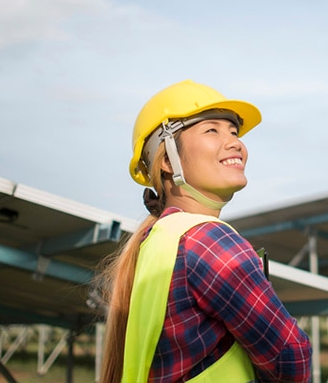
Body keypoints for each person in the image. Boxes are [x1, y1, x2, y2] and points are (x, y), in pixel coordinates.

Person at [96, 80, 312, 382]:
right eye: (212, 130)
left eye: (234, 131)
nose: (235, 142)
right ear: (168, 159)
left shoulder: (155, 240)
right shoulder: (208, 240)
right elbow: (291, 354)